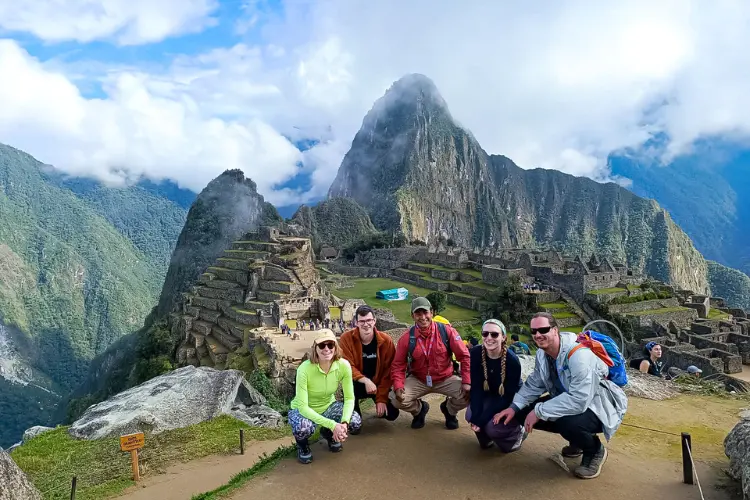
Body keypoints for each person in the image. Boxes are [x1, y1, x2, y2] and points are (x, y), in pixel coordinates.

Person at [495, 312, 628, 480]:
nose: (537, 335)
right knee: (524, 410)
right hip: (570, 400)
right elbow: (534, 384)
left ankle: (594, 450)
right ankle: (578, 442)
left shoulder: (579, 356)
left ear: (555, 330)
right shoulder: (543, 355)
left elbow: (579, 400)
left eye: (543, 329)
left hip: (597, 404)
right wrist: (514, 408)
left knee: (566, 422)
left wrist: (538, 411)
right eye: (534, 331)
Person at [389, 297, 471, 430]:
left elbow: (465, 356)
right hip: (419, 379)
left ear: (431, 312)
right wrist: (398, 385)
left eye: (425, 312)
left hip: (446, 378)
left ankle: (449, 410)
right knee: (396, 399)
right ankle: (419, 410)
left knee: (470, 394)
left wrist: (467, 381)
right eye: (418, 314)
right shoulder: (406, 338)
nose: (422, 317)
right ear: (412, 316)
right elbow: (398, 365)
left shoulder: (446, 331)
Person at [288, 330, 362, 464]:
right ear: (315, 348)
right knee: (303, 428)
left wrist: (343, 423)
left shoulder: (343, 365)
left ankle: (328, 434)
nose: (326, 349)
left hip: (328, 406)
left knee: (355, 421)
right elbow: (303, 408)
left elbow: (350, 398)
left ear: (336, 347)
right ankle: (302, 445)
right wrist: (333, 424)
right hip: (303, 409)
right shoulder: (304, 369)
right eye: (322, 346)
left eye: (330, 345)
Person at [466, 319, 524, 452]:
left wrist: (482, 419)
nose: (489, 338)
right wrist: (476, 417)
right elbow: (476, 388)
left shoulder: (512, 361)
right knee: (471, 415)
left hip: (508, 399)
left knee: (493, 427)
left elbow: (507, 397)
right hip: (489, 394)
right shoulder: (475, 354)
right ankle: (486, 439)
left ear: (503, 337)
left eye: (494, 334)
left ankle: (517, 434)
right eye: (485, 334)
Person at [339, 305, 400, 427]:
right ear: (356, 322)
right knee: (355, 425)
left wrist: (381, 399)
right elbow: (347, 365)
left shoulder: (386, 341)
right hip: (355, 385)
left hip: (377, 385)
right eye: (362, 321)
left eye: (369, 320)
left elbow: (388, 371)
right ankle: (352, 411)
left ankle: (378, 403)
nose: (366, 324)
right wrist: (365, 380)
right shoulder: (346, 339)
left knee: (392, 414)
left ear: (374, 321)